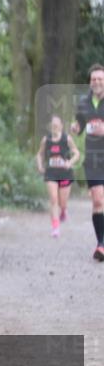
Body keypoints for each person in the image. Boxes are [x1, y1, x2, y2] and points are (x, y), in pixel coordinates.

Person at [70, 63, 104, 261]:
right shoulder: (83, 103)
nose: (97, 82)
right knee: (98, 200)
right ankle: (101, 244)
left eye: (100, 79)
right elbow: (80, 125)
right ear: (90, 82)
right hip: (93, 159)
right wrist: (76, 127)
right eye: (94, 80)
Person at [36, 115, 79, 237]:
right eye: (52, 125)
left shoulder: (67, 139)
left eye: (57, 125)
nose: (54, 127)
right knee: (54, 199)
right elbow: (39, 155)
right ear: (50, 127)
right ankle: (55, 227)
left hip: (65, 173)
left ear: (61, 126)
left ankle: (64, 210)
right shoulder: (46, 140)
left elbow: (76, 153)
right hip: (51, 173)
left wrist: (69, 163)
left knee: (62, 203)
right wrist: (40, 166)